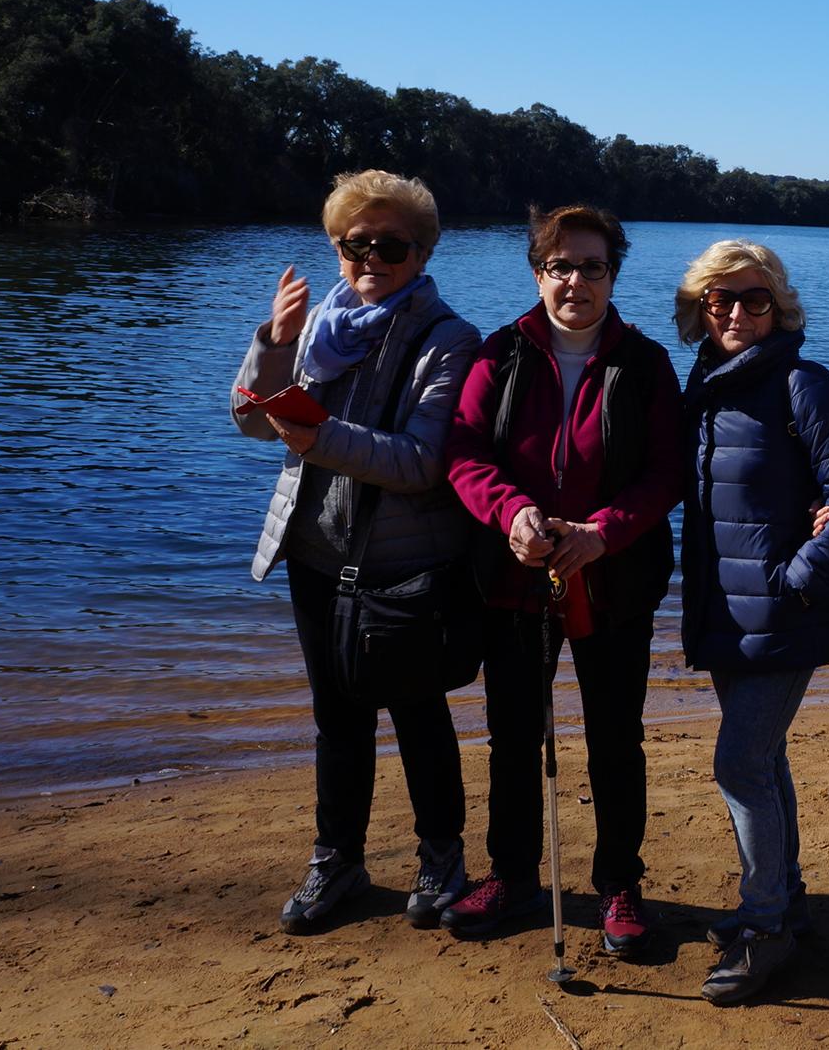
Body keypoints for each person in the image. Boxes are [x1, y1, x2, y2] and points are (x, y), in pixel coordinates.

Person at [231, 169, 481, 935]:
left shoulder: (450, 340)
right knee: (336, 718)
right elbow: (249, 419)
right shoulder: (316, 326)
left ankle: (442, 857)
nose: (371, 258)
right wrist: (274, 344)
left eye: (390, 246)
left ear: (422, 251)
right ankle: (337, 857)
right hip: (314, 556)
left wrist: (319, 437)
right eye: (355, 243)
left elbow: (421, 462)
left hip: (403, 564)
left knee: (417, 714)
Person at [440, 206, 683, 950]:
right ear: (538, 272)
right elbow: (463, 453)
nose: (577, 281)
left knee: (616, 738)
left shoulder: (645, 364)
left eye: (593, 267)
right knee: (513, 735)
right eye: (561, 266)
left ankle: (620, 883)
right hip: (515, 582)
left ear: (614, 274)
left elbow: (667, 472)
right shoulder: (500, 353)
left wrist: (602, 532)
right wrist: (511, 513)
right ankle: (512, 875)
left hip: (614, 582)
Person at [675, 239, 829, 1005]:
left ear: (780, 306)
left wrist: (795, 582)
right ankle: (786, 901)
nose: (736, 311)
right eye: (719, 299)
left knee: (739, 763)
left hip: (783, 615)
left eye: (753, 298)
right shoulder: (707, 384)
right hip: (727, 614)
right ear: (700, 309)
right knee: (765, 759)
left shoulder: (803, 384)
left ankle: (764, 928)